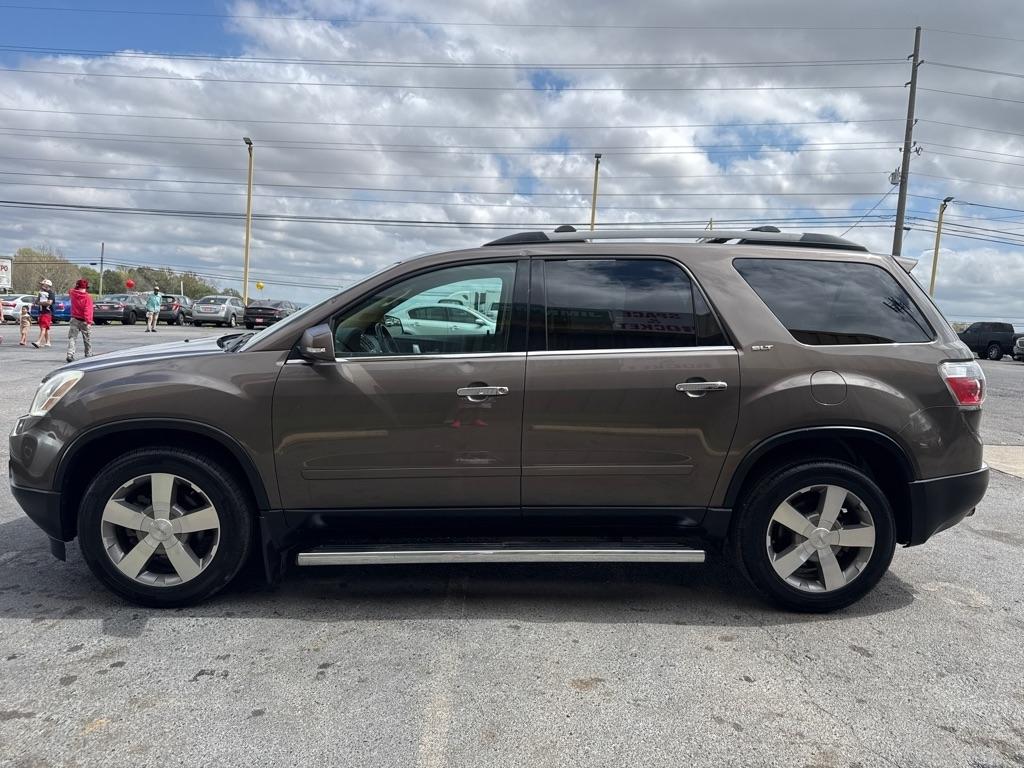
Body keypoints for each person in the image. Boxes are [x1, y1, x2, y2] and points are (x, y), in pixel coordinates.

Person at [66, 278, 94, 362]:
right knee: (87, 338)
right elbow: (87, 310)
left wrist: (76, 287)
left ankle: (70, 354)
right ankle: (88, 354)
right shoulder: (87, 297)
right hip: (84, 320)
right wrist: (88, 321)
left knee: (72, 337)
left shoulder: (73, 293)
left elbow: (71, 290)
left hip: (74, 319)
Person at [31, 278, 54, 348]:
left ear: (47, 285)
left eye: (43, 284)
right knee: (44, 328)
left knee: (43, 327)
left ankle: (38, 342)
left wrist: (39, 303)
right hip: (41, 312)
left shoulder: (51, 293)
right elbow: (37, 299)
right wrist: (34, 303)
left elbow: (49, 303)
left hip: (47, 313)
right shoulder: (41, 292)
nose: (41, 286)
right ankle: (48, 342)